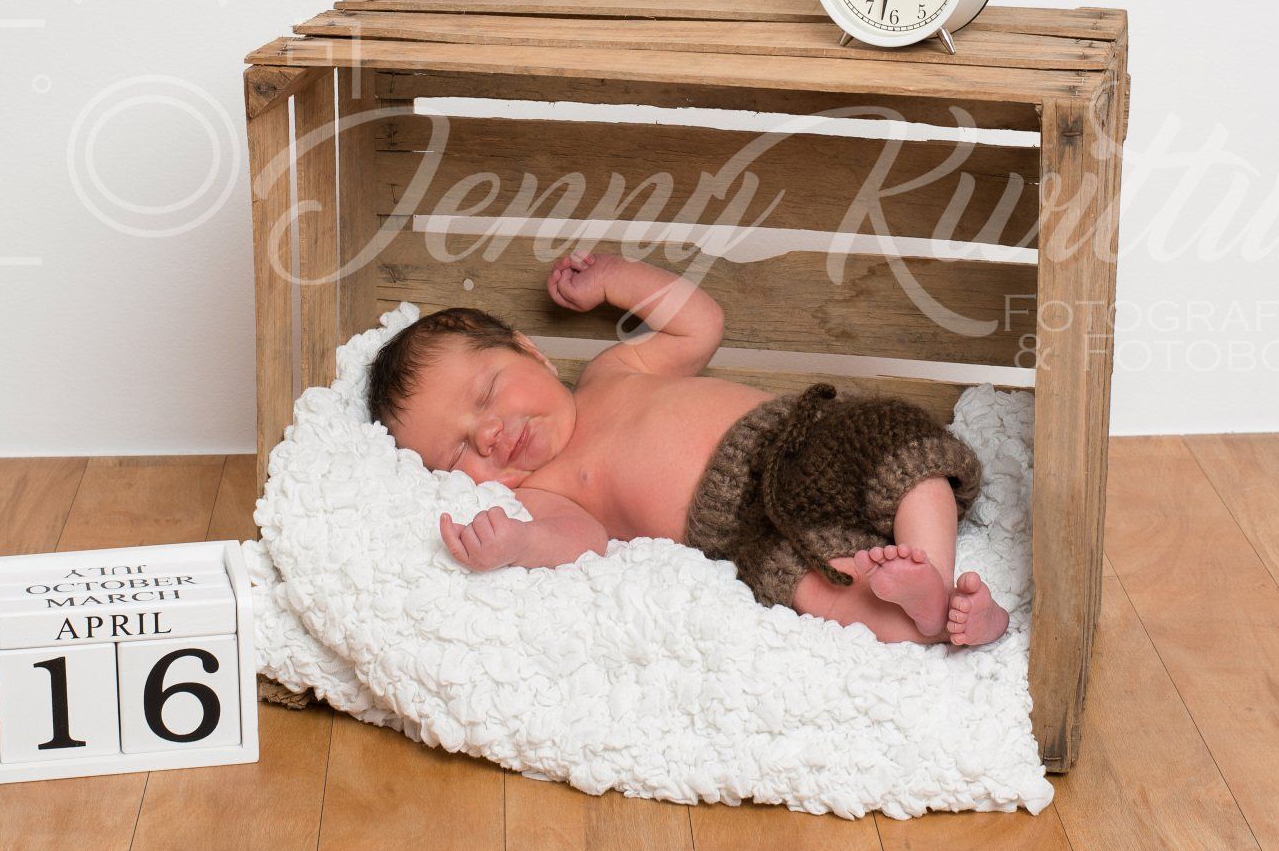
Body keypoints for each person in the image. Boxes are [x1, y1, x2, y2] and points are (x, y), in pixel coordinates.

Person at [367, 252, 1008, 648]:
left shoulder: (612, 371)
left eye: (486, 394)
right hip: (747, 533)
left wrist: (617, 278)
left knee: (905, 460)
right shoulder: (540, 492)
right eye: (459, 452)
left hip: (798, 439)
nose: (488, 433)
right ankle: (938, 618)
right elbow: (581, 541)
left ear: (528, 350)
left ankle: (933, 570)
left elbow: (700, 324)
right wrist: (518, 542)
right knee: (824, 593)